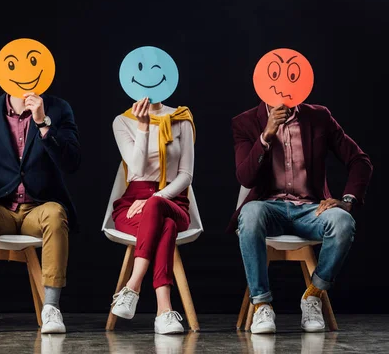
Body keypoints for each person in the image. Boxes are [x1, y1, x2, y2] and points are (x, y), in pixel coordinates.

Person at [230, 102, 373, 334]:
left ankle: (313, 295)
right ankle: (262, 305)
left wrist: (347, 200)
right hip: (269, 208)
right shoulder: (244, 122)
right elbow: (245, 178)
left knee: (343, 222)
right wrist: (265, 135)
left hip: (311, 210)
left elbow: (360, 160)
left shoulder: (319, 117)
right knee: (250, 213)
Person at [0, 92, 80, 334]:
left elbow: (72, 163)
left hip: (40, 207)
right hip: (0, 207)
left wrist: (43, 122)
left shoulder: (58, 108)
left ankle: (52, 308)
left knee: (56, 214)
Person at [110, 97, 196, 335]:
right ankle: (164, 311)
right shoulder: (123, 121)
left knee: (160, 210)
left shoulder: (182, 117)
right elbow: (136, 169)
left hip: (173, 202)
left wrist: (156, 198)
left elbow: (186, 174)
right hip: (131, 204)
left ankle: (132, 286)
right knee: (165, 226)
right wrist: (143, 127)